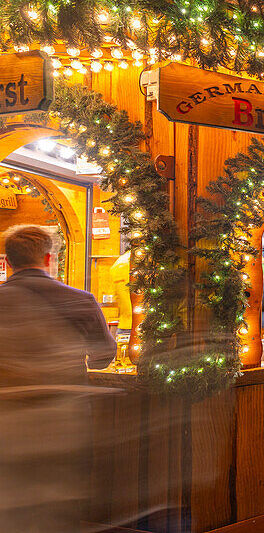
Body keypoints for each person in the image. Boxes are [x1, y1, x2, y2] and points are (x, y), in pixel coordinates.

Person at [0, 225, 115, 533]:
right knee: (59, 509)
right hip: (64, 421)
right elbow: (104, 359)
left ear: (7, 262)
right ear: (49, 258)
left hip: (6, 424)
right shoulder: (80, 300)